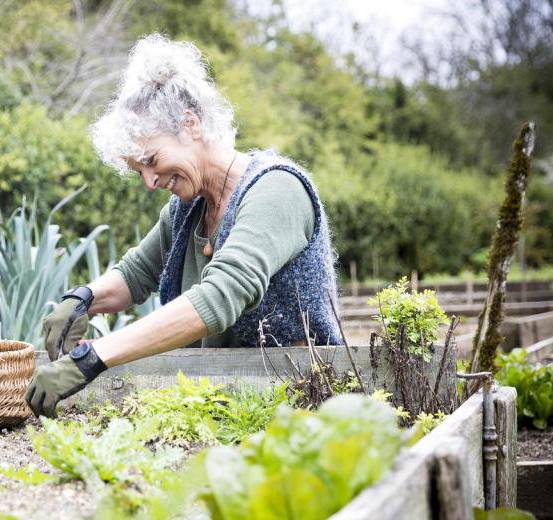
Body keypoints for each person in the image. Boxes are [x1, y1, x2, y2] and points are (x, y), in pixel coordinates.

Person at [25, 34, 342, 418]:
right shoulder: (187, 208)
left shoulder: (277, 188)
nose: (149, 181)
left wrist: (93, 357)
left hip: (298, 406)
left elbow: (221, 295)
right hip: (226, 403)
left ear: (191, 125)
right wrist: (81, 300)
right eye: (138, 170)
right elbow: (136, 274)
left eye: (152, 160)